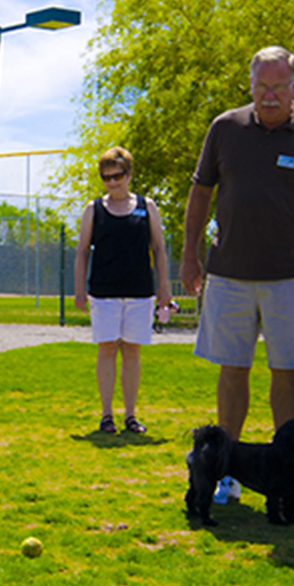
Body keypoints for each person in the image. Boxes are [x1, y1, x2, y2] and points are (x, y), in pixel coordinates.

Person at [180, 45, 294, 508]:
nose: (269, 95)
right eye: (261, 86)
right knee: (232, 371)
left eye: (278, 87)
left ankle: (290, 477)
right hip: (230, 274)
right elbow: (200, 194)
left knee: (286, 373)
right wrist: (189, 255)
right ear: (250, 85)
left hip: (292, 276)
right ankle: (225, 474)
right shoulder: (225, 129)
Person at [73, 146, 174, 435]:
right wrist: (80, 289)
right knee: (106, 350)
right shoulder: (93, 209)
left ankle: (130, 416)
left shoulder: (147, 206)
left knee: (132, 352)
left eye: (117, 176)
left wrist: (164, 287)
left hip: (140, 291)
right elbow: (82, 251)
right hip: (103, 292)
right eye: (106, 178)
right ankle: (107, 416)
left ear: (129, 175)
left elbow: (159, 248)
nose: (112, 182)